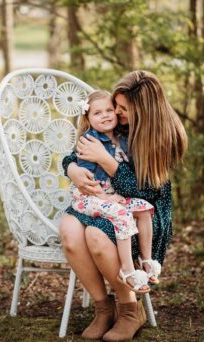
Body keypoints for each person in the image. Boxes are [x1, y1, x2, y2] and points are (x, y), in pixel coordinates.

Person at [59, 70, 187, 341]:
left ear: (143, 110)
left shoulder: (163, 137)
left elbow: (146, 191)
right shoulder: (117, 125)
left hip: (143, 209)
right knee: (70, 233)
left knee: (95, 235)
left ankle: (130, 308)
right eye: (115, 106)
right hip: (102, 200)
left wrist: (107, 161)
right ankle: (103, 308)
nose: (116, 113)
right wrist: (72, 169)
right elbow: (78, 152)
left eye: (122, 108)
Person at [71, 90, 156, 294]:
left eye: (109, 110)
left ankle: (147, 261)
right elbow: (86, 180)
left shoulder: (123, 138)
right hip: (89, 197)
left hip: (112, 196)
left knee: (145, 208)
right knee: (121, 214)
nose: (106, 115)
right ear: (88, 118)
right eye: (98, 113)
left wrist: (114, 197)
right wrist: (105, 197)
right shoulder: (89, 141)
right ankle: (127, 271)